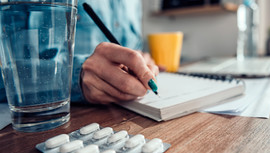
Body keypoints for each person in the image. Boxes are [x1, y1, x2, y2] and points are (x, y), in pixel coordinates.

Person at [0, 0, 159, 104]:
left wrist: (140, 59)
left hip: (125, 113)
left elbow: (132, 47)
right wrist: (77, 75)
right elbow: (6, 71)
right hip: (59, 119)